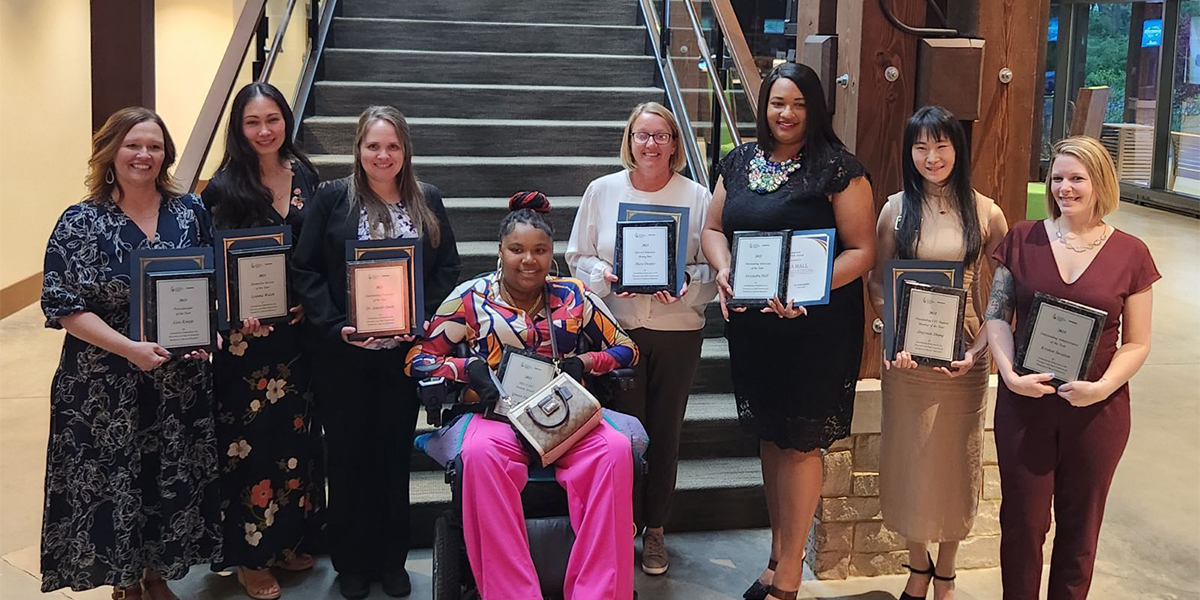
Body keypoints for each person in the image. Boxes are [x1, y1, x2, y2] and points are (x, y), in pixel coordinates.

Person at [407, 192, 639, 600]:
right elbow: (418, 359)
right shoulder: (471, 298)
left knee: (614, 450)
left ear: (552, 253)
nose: (528, 260)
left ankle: (598, 592)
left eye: (539, 250)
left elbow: (627, 348)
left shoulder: (574, 296)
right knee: (479, 457)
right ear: (501, 251)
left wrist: (586, 362)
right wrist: (467, 370)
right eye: (517, 249)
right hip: (498, 417)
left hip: (565, 417)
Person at [699, 62, 875, 600]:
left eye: (798, 103)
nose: (787, 113)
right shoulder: (738, 161)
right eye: (778, 103)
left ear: (815, 108)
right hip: (755, 326)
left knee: (799, 445)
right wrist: (724, 268)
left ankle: (791, 572)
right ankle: (777, 555)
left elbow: (863, 250)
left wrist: (809, 287)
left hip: (814, 329)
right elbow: (711, 228)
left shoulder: (838, 169)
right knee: (772, 437)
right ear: (764, 107)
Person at [39, 107, 221, 599]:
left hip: (175, 380)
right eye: (133, 145)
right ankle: (124, 580)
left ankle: (156, 572)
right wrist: (129, 349)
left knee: (165, 476)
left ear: (166, 155)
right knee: (113, 480)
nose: (144, 155)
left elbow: (208, 285)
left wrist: (210, 331)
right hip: (103, 382)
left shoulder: (190, 212)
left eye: (155, 147)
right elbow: (62, 305)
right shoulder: (80, 221)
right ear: (111, 152)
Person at [291, 105, 460, 599]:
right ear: (358, 149)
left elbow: (447, 267)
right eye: (372, 146)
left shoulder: (426, 199)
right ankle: (351, 564)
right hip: (344, 356)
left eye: (392, 146)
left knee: (391, 459)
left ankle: (390, 561)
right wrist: (337, 326)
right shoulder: (331, 199)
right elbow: (305, 270)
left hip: (402, 357)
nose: (382, 155)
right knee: (346, 459)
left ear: (405, 150)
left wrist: (424, 320)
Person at [984, 136, 1157, 600]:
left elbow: (1138, 341)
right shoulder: (1021, 238)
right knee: (1022, 524)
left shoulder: (1132, 253)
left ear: (1100, 183)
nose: (1065, 188)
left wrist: (1102, 388)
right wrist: (1010, 375)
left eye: (1077, 178)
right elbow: (997, 315)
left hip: (1097, 411)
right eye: (1057, 178)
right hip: (1025, 404)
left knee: (1080, 531)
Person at [565, 101, 715, 575]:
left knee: (665, 432)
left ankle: (655, 530)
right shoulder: (602, 191)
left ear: (675, 145)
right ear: (629, 141)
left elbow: (715, 265)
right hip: (618, 333)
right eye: (642, 135)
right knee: (622, 436)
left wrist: (688, 281)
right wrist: (606, 274)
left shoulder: (697, 197)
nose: (651, 144)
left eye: (661, 136)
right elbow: (577, 256)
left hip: (677, 332)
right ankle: (620, 525)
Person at [868, 106, 1009, 600]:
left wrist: (980, 345)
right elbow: (879, 283)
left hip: (962, 358)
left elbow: (1005, 290)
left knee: (956, 462)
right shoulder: (894, 208)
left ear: (957, 148)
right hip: (908, 360)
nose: (931, 157)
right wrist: (892, 336)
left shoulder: (987, 210)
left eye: (941, 145)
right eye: (920, 147)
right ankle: (917, 565)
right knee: (909, 458)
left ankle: (946, 571)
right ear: (909, 152)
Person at [200, 82, 325, 600]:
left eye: (273, 119)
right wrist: (232, 313)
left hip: (297, 339)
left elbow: (318, 252)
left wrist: (309, 301)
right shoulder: (223, 188)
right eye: (253, 122)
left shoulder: (309, 177)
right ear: (239, 127)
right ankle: (251, 557)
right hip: (244, 345)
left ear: (286, 121)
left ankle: (286, 539)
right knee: (247, 450)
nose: (265, 130)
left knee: (294, 443)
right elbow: (208, 268)